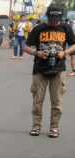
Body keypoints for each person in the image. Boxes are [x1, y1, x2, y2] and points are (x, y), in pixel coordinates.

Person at [25, 3, 75, 138]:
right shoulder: (38, 29)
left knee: (57, 101)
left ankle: (54, 128)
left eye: (57, 18)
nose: (54, 21)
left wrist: (64, 52)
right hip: (39, 69)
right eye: (52, 18)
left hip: (59, 69)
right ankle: (36, 126)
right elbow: (27, 47)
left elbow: (73, 45)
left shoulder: (66, 27)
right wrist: (37, 53)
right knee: (37, 101)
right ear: (47, 15)